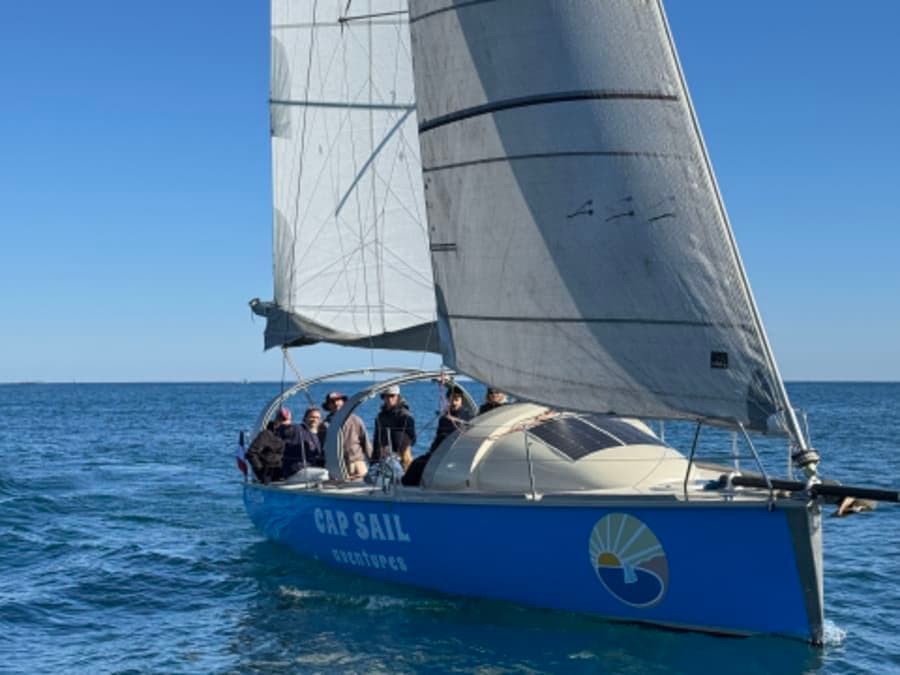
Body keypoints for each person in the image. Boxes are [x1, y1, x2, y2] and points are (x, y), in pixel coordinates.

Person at [403, 385, 471, 487]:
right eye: (451, 400)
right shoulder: (444, 418)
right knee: (416, 463)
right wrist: (432, 450)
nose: (453, 403)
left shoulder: (468, 417)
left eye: (456, 400)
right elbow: (438, 437)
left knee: (421, 465)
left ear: (461, 400)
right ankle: (409, 487)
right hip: (438, 451)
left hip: (454, 453)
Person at [320, 391, 372, 479]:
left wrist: (373, 461)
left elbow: (366, 442)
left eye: (338, 400)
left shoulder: (356, 420)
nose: (336, 404)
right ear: (328, 406)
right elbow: (322, 447)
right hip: (336, 466)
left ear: (343, 402)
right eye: (332, 402)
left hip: (357, 462)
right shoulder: (324, 425)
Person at [374, 385, 416, 470]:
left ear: (397, 396)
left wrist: (399, 446)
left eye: (392, 396)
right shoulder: (380, 417)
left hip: (402, 455)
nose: (389, 399)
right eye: (387, 396)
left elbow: (413, 438)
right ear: (383, 398)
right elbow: (376, 439)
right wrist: (374, 460)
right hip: (384, 456)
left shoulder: (405, 415)